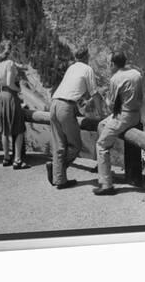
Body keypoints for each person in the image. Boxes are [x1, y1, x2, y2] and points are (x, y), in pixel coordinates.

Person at [47, 47, 102, 189]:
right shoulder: (87, 69)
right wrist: (101, 114)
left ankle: (59, 178)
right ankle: (56, 170)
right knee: (75, 145)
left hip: (53, 104)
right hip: (65, 107)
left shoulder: (71, 68)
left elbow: (72, 88)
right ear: (86, 56)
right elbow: (94, 93)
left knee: (59, 144)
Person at [93, 51, 143, 196]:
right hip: (136, 114)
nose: (109, 66)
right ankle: (104, 164)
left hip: (123, 116)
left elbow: (111, 105)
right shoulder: (136, 73)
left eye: (110, 64)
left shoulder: (115, 79)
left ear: (113, 64)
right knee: (102, 125)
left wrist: (104, 98)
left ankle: (106, 184)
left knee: (101, 145)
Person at [0, 40, 30, 169]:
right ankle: (17, 160)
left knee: (5, 129)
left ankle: (6, 158)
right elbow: (9, 82)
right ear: (8, 51)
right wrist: (19, 89)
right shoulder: (9, 63)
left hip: (2, 97)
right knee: (18, 129)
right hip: (11, 96)